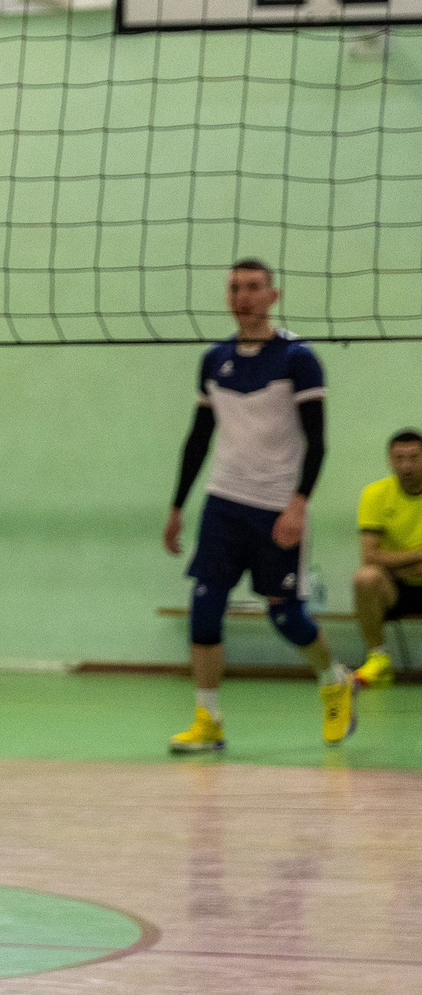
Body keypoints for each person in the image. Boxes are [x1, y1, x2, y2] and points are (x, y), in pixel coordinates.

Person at [164, 259, 354, 751]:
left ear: (273, 296)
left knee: (286, 617)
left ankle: (333, 681)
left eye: (253, 287)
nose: (243, 296)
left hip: (276, 506)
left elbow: (318, 441)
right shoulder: (214, 359)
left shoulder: (297, 358)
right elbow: (199, 437)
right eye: (235, 288)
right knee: (205, 608)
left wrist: (299, 503)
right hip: (223, 502)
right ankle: (208, 719)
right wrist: (177, 505)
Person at [351, 428, 422, 687]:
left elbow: (379, 555)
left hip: (400, 572)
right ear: (390, 461)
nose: (406, 466)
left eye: (414, 458)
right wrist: (417, 555)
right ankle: (378, 660)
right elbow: (370, 555)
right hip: (395, 587)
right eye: (399, 458)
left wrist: (396, 563)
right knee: (366, 578)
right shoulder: (375, 494)